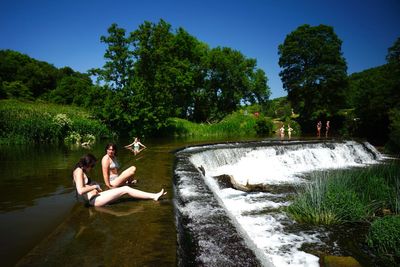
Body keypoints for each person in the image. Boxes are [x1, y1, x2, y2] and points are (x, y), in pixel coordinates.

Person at [73, 154, 166, 207]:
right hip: (95, 200)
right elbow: (80, 191)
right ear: (87, 164)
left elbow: (83, 186)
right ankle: (154, 196)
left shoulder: (79, 170)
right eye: (92, 166)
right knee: (125, 189)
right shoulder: (79, 172)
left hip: (96, 197)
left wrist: (94, 185)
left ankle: (153, 195)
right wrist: (95, 186)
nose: (92, 168)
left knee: (124, 189)